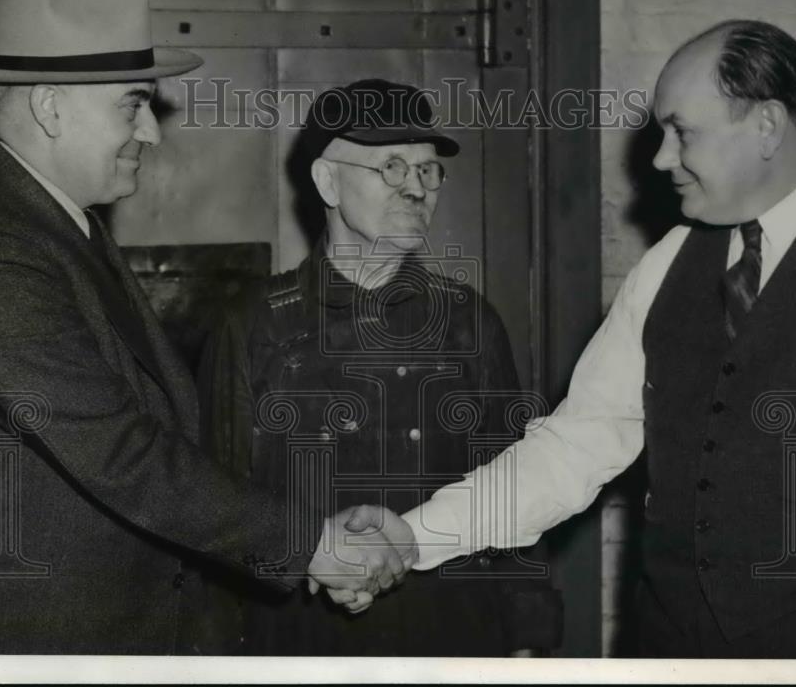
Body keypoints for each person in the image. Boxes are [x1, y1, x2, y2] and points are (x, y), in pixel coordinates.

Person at [347, 20, 796, 658]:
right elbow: (577, 444)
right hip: (669, 647)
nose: (659, 159)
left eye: (682, 133)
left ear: (765, 126)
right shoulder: (669, 261)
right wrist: (413, 536)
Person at [0, 0, 408, 655]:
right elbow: (120, 452)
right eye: (133, 105)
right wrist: (310, 542)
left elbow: (153, 441)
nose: (152, 134)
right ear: (49, 108)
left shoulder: (62, 226)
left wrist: (310, 532)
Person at [197, 79, 563, 656]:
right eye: (391, 167)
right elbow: (215, 507)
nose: (416, 188)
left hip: (451, 640)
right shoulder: (254, 326)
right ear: (327, 181)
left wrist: (527, 643)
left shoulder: (469, 323)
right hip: (300, 645)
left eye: (427, 170)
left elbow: (510, 492)